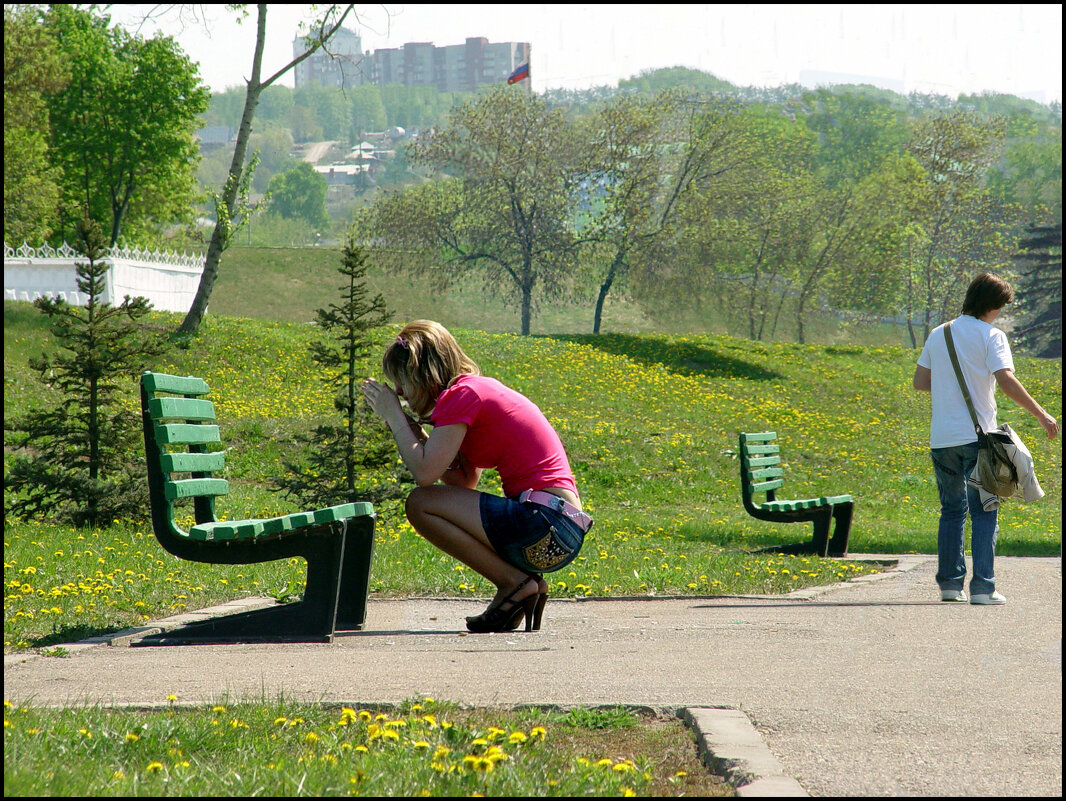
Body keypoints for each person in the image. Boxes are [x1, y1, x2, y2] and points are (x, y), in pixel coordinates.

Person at [362, 320, 591, 632]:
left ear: (424, 372)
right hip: (560, 529)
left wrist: (395, 418)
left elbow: (426, 474)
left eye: (402, 381)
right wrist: (411, 427)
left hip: (543, 523)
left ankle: (514, 583)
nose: (400, 391)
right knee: (426, 501)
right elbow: (462, 482)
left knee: (419, 503)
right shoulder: (469, 393)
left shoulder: (462, 395)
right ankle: (520, 585)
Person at [913, 273, 1058, 605]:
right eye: (1003, 307)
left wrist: (950, 384)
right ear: (994, 305)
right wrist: (1040, 413)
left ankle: (950, 586)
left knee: (951, 511)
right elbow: (1005, 380)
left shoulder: (939, 333)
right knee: (984, 511)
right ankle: (983, 588)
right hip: (978, 439)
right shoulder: (992, 335)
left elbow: (921, 381)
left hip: (942, 439)